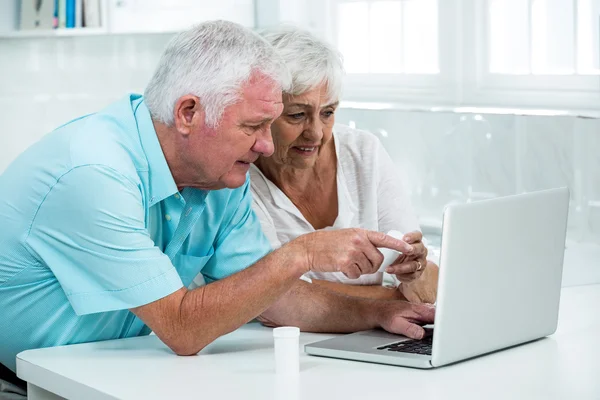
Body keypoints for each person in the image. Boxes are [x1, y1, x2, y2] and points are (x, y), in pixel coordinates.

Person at [0, 20, 433, 398]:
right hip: (29, 382)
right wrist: (301, 253)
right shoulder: (94, 172)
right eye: (252, 126)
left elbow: (276, 298)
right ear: (188, 113)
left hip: (112, 370)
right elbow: (183, 328)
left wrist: (379, 312)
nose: (266, 145)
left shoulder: (221, 175)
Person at [250, 26, 439, 304]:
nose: (316, 133)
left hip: (370, 337)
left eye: (328, 113)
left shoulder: (363, 153)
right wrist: (390, 299)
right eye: (297, 115)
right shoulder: (239, 176)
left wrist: (416, 272)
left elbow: (426, 283)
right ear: (263, 113)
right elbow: (276, 299)